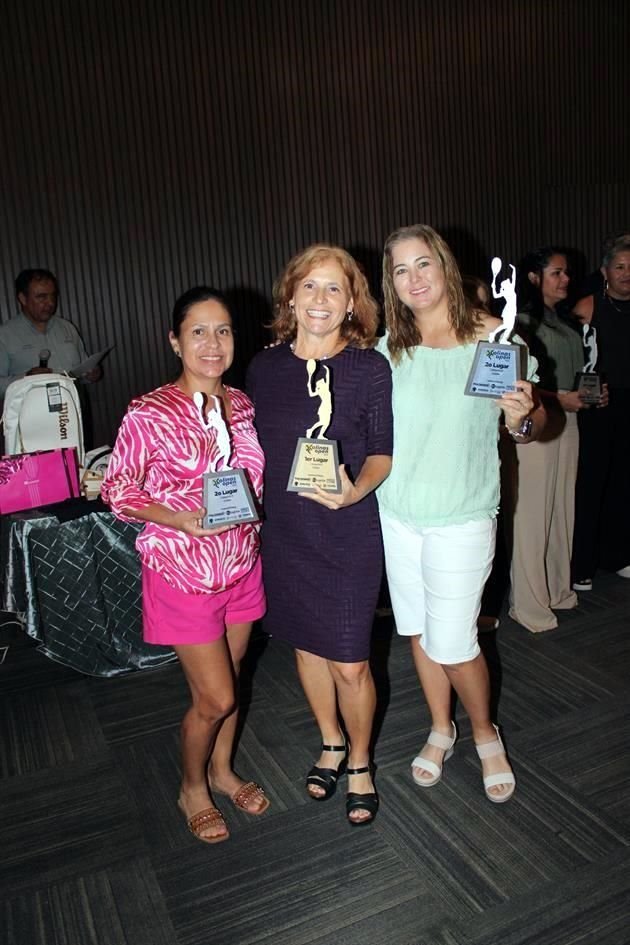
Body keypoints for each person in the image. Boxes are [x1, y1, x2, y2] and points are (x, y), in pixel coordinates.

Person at [378, 224, 544, 803]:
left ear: (444, 266)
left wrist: (522, 416)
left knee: (454, 643)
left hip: (464, 512)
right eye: (400, 270)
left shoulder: (497, 341)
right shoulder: (387, 349)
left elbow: (530, 427)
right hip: (397, 511)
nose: (414, 279)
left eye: (422, 264)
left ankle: (484, 732)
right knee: (420, 633)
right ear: (391, 283)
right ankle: (440, 728)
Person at [102, 286, 268, 844]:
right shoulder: (149, 412)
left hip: (242, 564)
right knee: (215, 697)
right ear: (175, 341)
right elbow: (118, 492)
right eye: (198, 331)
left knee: (235, 680)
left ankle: (222, 771)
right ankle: (191, 786)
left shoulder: (242, 405)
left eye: (222, 330)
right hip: (183, 573)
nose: (212, 343)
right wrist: (181, 518)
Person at [247, 244, 393, 826]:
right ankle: (329, 740)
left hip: (348, 528)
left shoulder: (368, 367)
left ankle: (360, 760)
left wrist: (355, 491)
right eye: (310, 286)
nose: (320, 300)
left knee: (352, 660)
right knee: (306, 646)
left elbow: (381, 453)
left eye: (334, 288)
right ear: (290, 295)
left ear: (352, 300)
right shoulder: (263, 368)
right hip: (287, 530)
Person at [507, 248, 587, 632]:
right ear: (534, 278)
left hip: (567, 422)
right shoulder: (518, 323)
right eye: (556, 273)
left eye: (567, 273)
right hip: (535, 427)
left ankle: (557, 590)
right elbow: (518, 385)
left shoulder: (564, 320)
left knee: (561, 512)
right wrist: (559, 398)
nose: (565, 279)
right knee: (533, 518)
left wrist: (583, 395)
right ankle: (529, 605)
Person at [572, 234, 630, 585]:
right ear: (604, 271)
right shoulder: (587, 307)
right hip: (598, 405)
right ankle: (582, 566)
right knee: (591, 484)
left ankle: (619, 555)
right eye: (620, 267)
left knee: (625, 483)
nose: (627, 273)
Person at [0, 269, 102, 400]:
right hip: (32, 416)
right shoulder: (5, 336)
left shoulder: (67, 328)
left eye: (53, 296)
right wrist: (24, 379)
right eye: (41, 297)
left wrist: (90, 374)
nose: (50, 303)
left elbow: (82, 370)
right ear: (23, 298)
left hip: (73, 410)